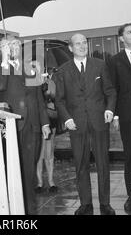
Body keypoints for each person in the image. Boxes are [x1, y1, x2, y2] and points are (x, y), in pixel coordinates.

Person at [55, 33, 117, 215]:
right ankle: (86, 204)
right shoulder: (63, 71)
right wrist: (67, 118)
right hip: (76, 124)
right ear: (70, 48)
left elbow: (111, 91)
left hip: (99, 121)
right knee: (80, 164)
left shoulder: (100, 65)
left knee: (103, 163)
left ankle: (105, 204)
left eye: (84, 43)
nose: (82, 46)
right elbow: (59, 100)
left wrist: (110, 110)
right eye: (78, 44)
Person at [0, 37, 50, 214]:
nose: (13, 47)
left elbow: (39, 98)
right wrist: (3, 59)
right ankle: (12, 207)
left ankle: (29, 209)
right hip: (10, 124)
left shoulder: (30, 68)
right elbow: (0, 85)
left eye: (16, 44)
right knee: (11, 168)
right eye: (8, 45)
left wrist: (45, 122)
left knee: (29, 169)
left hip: (32, 125)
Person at [108, 23, 131, 213]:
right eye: (130, 32)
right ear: (121, 38)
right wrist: (116, 115)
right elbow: (113, 89)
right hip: (128, 116)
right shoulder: (115, 61)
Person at [36, 68, 59, 193]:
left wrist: (47, 87)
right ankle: (39, 182)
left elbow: (55, 97)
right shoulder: (31, 83)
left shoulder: (50, 82)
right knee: (38, 154)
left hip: (50, 119)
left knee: (49, 153)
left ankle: (51, 182)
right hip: (36, 122)